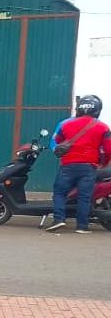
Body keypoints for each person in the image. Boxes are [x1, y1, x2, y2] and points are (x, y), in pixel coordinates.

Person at [44, 95, 111, 234]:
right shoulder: (103, 127)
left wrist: (60, 150)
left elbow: (55, 142)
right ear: (97, 110)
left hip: (68, 165)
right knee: (85, 196)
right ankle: (82, 226)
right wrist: (103, 163)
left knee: (60, 193)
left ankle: (59, 220)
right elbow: (108, 149)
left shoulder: (66, 124)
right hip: (89, 166)